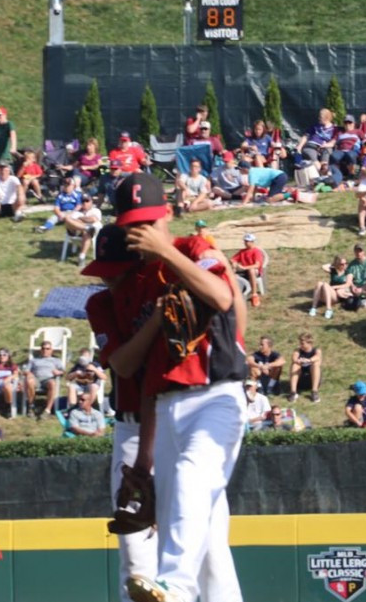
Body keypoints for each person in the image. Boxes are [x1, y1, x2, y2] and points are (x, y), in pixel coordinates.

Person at [112, 172, 247, 602]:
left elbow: (221, 297)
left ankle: (176, 586)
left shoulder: (194, 248)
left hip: (216, 396)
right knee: (201, 536)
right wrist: (144, 461)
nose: (142, 231)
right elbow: (149, 380)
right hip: (166, 408)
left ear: (167, 213)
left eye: (149, 221)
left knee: (191, 476)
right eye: (133, 224)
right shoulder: (139, 282)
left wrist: (167, 251)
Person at [80, 223, 157, 600]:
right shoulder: (100, 304)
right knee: (133, 545)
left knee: (188, 542)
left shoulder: (157, 289)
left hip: (176, 423)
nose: (108, 280)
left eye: (116, 272)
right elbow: (124, 365)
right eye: (104, 272)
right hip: (131, 427)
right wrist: (158, 321)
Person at [24, 340, 64, 417]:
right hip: (36, 379)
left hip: (48, 379)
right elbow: (26, 371)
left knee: (52, 383)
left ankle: (47, 410)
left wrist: (59, 372)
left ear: (51, 350)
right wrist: (29, 374)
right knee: (30, 381)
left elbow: (63, 371)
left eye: (47, 348)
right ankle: (31, 407)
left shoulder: (56, 360)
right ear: (41, 350)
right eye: (43, 348)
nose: (45, 350)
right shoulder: (34, 360)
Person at [229, 233, 266, 308]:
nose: (245, 243)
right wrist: (234, 263)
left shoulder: (256, 251)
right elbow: (232, 259)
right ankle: (233, 294)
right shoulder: (242, 251)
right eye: (245, 241)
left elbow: (257, 265)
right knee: (232, 272)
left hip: (254, 271)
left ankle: (254, 295)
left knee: (251, 270)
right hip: (243, 271)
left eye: (247, 241)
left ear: (252, 242)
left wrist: (245, 268)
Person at [311, 255, 353, 319]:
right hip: (328, 293)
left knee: (325, 285)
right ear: (337, 264)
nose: (344, 265)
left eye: (346, 263)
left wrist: (335, 287)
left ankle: (329, 309)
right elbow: (323, 266)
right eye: (342, 264)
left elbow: (348, 284)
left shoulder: (348, 272)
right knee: (319, 283)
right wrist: (333, 264)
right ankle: (313, 308)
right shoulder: (333, 270)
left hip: (337, 294)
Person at [287, 333, 321, 403]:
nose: (300, 345)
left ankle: (314, 392)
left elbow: (318, 357)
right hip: (300, 380)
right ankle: (293, 392)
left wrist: (309, 360)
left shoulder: (316, 351)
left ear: (309, 343)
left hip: (311, 380)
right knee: (295, 365)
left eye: (302, 343)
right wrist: (298, 361)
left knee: (316, 365)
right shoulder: (298, 351)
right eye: (300, 343)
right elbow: (294, 358)